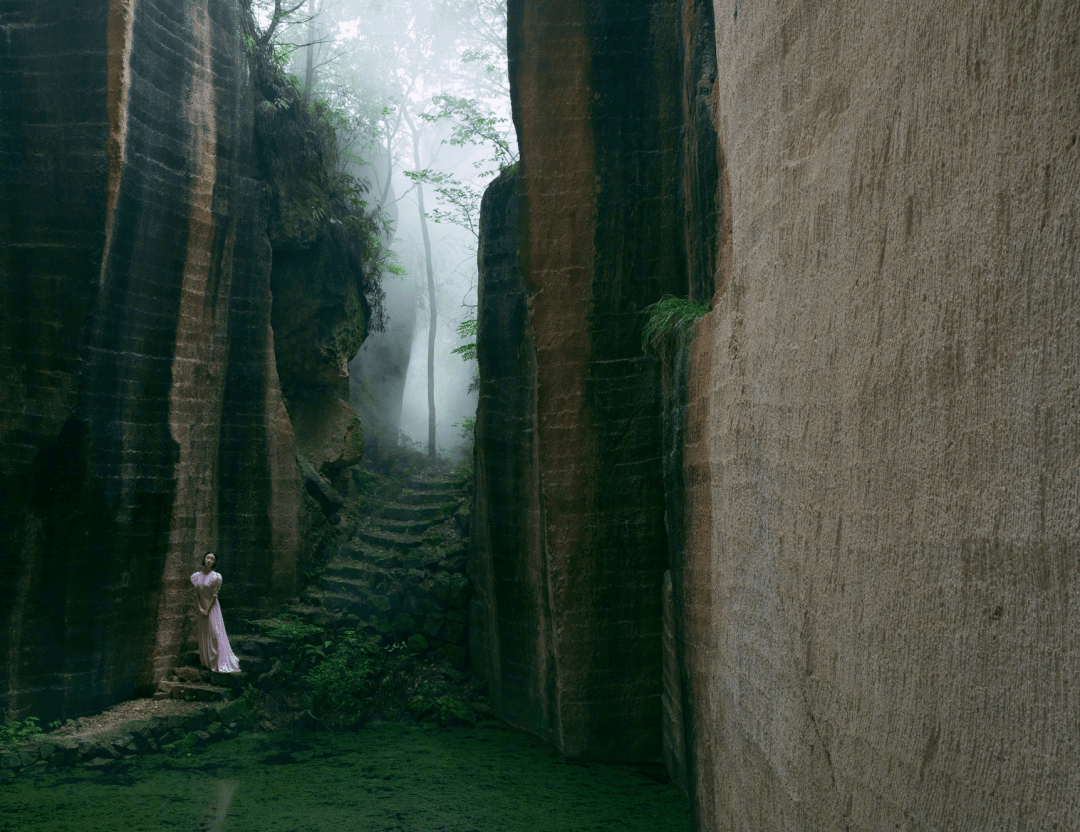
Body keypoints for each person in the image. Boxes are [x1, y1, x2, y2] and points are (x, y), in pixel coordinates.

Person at [190, 551, 241, 673]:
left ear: (214, 562)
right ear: (204, 559)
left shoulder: (215, 577)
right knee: (203, 634)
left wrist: (207, 610)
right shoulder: (197, 576)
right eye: (207, 558)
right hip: (201, 609)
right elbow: (196, 594)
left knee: (215, 633)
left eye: (212, 559)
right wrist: (200, 608)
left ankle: (217, 661)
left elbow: (214, 596)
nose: (209, 560)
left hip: (212, 609)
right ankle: (206, 662)